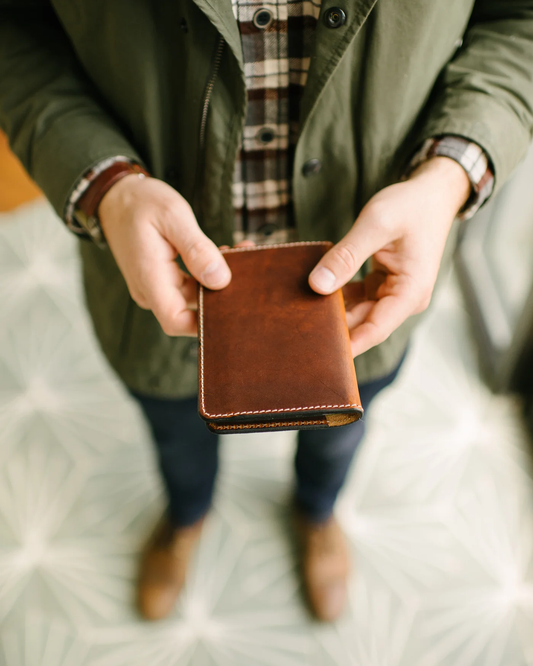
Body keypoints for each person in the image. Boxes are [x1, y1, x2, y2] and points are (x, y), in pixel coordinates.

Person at [1, 0, 532, 623]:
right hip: (152, 281)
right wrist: (105, 186)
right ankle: (187, 516)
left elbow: (519, 20)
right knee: (176, 434)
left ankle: (316, 512)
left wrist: (450, 175)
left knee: (339, 434)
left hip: (368, 288)